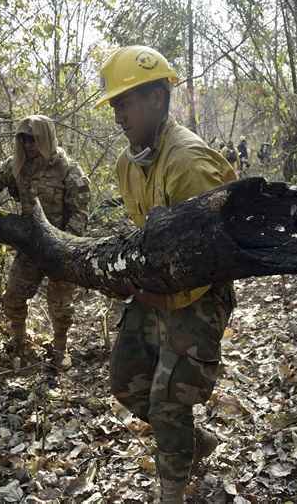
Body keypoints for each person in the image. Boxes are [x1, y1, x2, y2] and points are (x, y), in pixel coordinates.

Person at [95, 45, 237, 502]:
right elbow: (144, 236)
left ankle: (172, 491)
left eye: (125, 103)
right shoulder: (127, 162)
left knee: (169, 403)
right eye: (114, 105)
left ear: (157, 98)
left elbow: (210, 256)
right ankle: (194, 447)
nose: (118, 116)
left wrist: (159, 290)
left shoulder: (188, 163)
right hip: (153, 289)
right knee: (126, 382)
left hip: (196, 296)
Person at [0, 115, 90, 364]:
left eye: (34, 139)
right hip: (30, 245)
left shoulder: (68, 169)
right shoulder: (16, 165)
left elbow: (80, 214)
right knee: (13, 297)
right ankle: (19, 342)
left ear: (46, 138)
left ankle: (60, 349)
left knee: (61, 308)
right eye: (24, 139)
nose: (28, 145)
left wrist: (65, 248)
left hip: (62, 249)